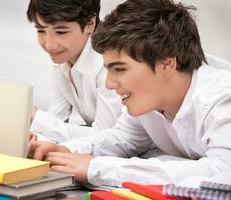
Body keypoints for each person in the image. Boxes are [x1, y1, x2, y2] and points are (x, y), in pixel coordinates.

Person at [28, 0, 231, 187]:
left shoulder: (222, 98)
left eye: (120, 69)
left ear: (167, 63)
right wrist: (66, 152)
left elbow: (223, 171)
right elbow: (122, 137)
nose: (108, 84)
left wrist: (96, 168)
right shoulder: (148, 100)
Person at [26, 0, 122, 143]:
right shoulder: (64, 60)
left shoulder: (108, 64)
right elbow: (56, 120)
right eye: (41, 30)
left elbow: (107, 138)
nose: (49, 44)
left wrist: (35, 116)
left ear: (90, 24)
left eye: (61, 32)